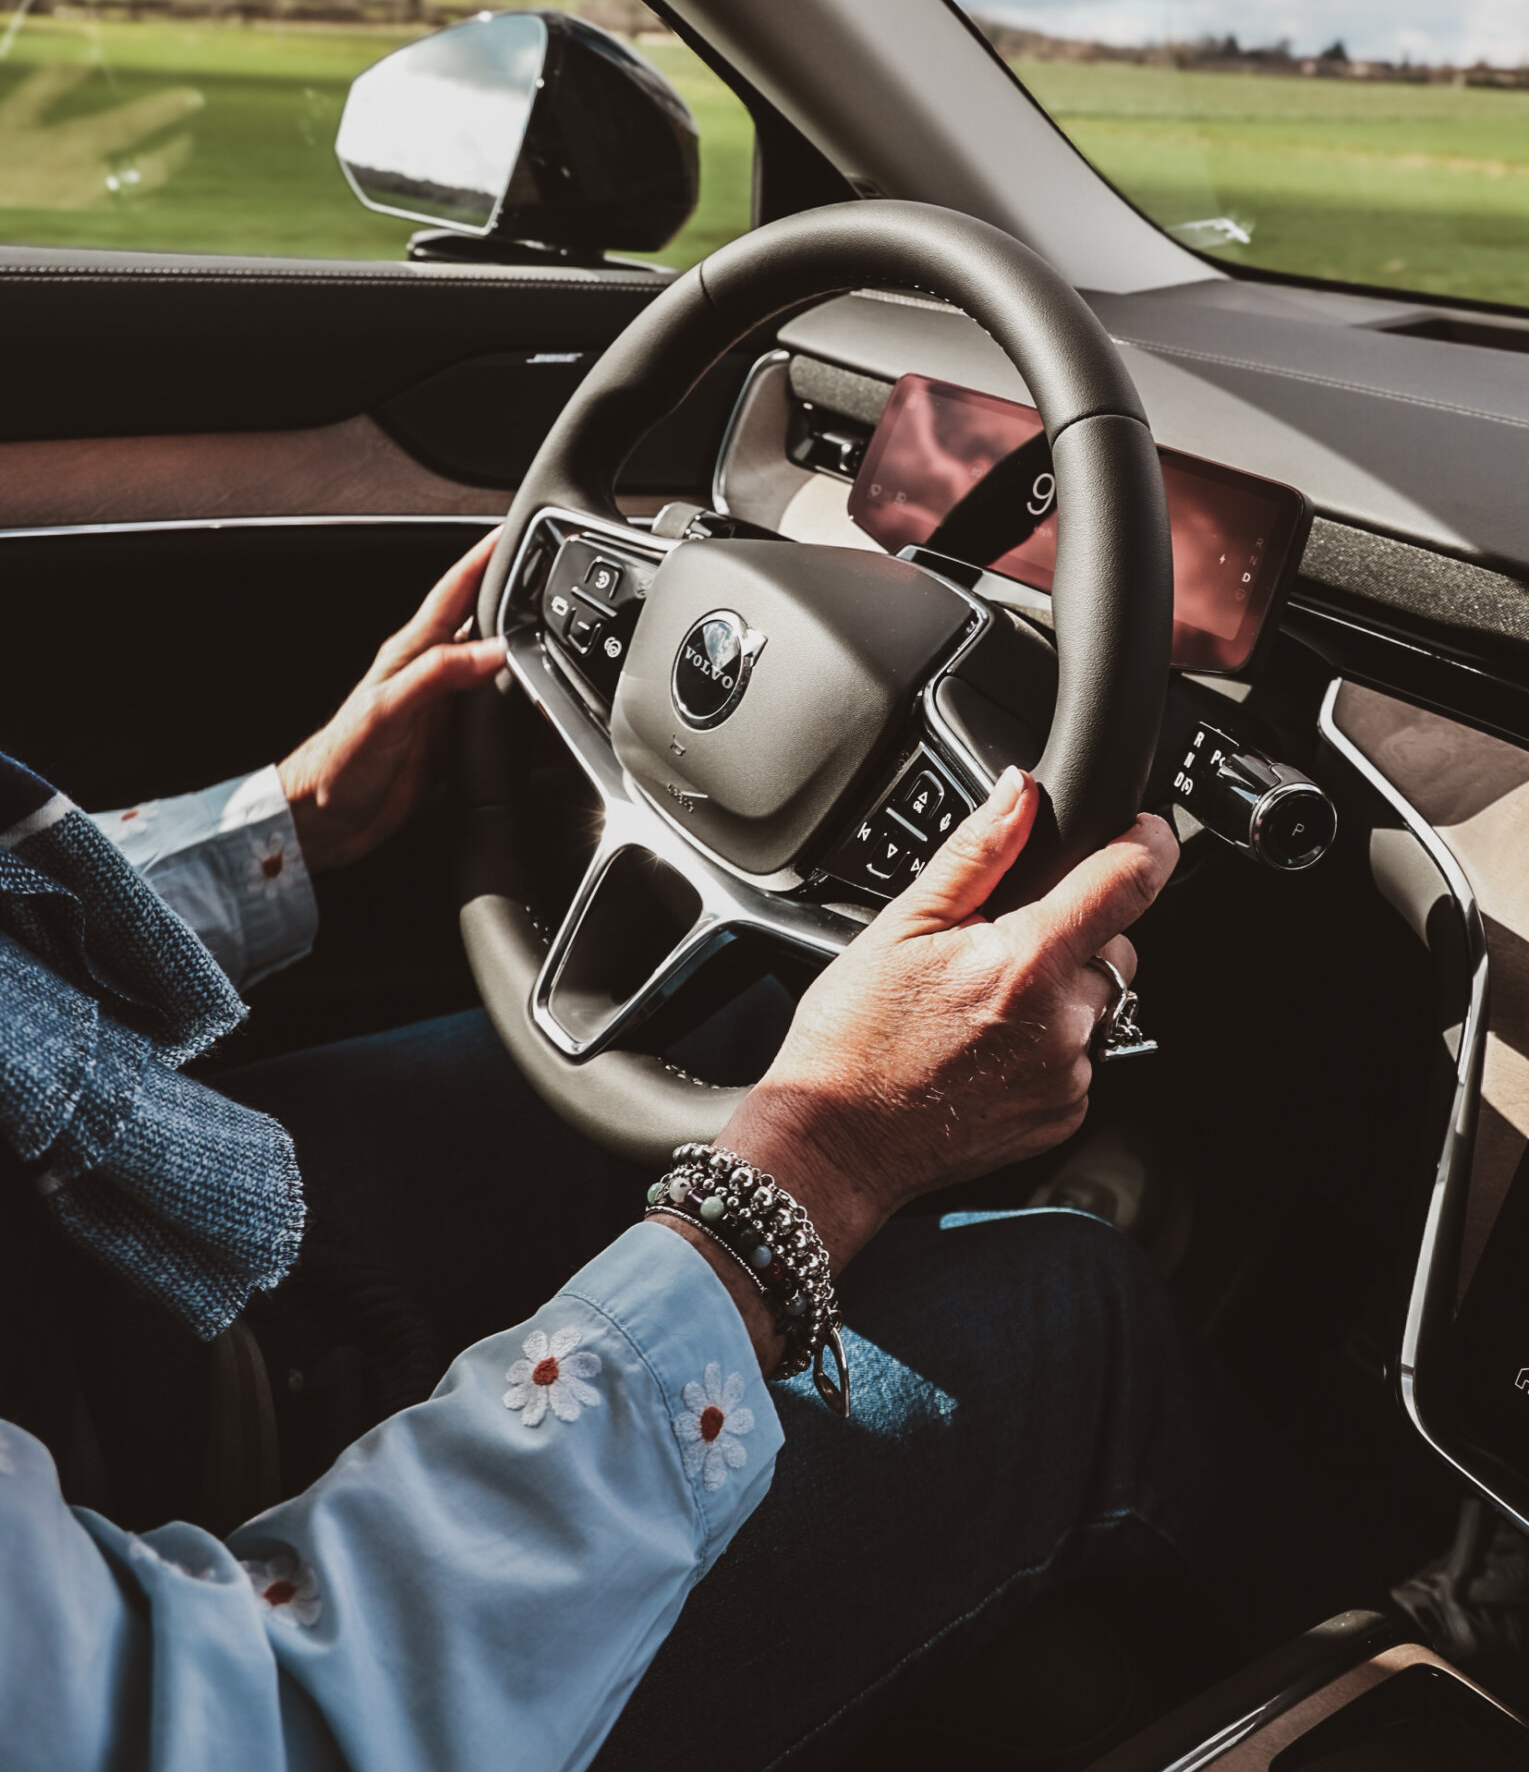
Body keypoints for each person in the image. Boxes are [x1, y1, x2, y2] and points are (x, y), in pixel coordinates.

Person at [0, 536, 1274, 1772]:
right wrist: (818, 1161)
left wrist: (280, 828)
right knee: (1073, 1302)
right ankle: (1388, 1630)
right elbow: (272, 1721)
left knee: (735, 1027)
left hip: (118, 1269)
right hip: (243, 1595)